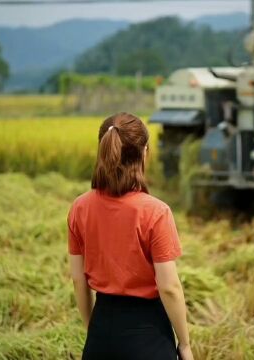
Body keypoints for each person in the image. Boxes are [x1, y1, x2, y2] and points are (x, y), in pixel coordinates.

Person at [67, 112, 193, 360]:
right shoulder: (155, 212)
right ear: (144, 152)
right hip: (148, 335)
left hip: (101, 331)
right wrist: (185, 344)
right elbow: (169, 287)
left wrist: (93, 330)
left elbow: (78, 280)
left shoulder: (79, 207)